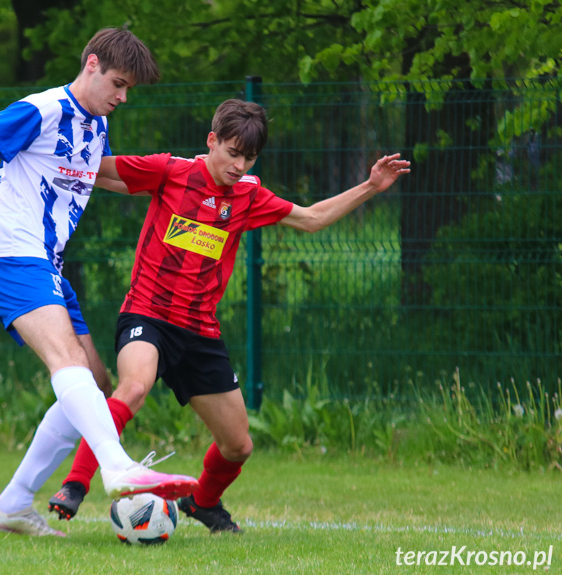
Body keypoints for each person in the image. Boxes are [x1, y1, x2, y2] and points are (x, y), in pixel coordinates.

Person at [47, 98, 411, 533]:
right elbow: (96, 170)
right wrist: (44, 154)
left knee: (238, 445)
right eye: (233, 153)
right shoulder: (170, 171)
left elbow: (312, 218)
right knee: (135, 386)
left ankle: (203, 503)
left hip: (199, 331)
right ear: (212, 141)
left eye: (250, 157)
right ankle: (76, 483)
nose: (240, 165)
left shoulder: (247, 195)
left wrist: (370, 186)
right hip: (148, 313)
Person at [0, 28, 198, 538]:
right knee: (68, 366)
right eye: (117, 83)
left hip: (46, 264)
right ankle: (116, 466)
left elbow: (107, 175)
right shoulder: (44, 109)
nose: (122, 96)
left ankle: (14, 504)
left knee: (97, 382)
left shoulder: (96, 124)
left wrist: (191, 176)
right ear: (90, 64)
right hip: (9, 255)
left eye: (129, 88)